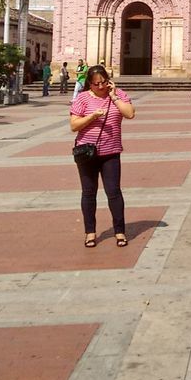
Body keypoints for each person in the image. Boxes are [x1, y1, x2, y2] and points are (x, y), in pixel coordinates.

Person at [69, 64, 136, 246]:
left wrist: (113, 97)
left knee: (114, 192)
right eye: (96, 84)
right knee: (88, 193)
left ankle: (120, 231)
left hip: (111, 152)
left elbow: (130, 114)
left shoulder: (118, 94)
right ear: (89, 84)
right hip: (87, 153)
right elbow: (74, 125)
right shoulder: (82, 99)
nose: (100, 87)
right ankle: (90, 232)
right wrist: (92, 117)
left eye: (104, 82)